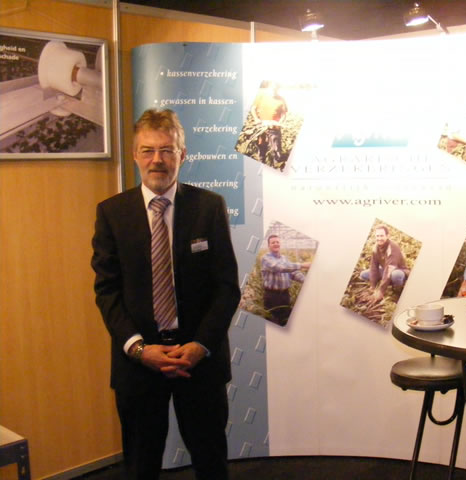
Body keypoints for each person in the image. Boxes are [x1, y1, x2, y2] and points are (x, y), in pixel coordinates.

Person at [91, 108, 240, 480]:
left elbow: (226, 288)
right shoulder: (112, 213)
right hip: (139, 364)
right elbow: (107, 291)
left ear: (182, 155)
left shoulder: (209, 207)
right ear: (135, 155)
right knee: (141, 468)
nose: (156, 159)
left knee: (211, 464)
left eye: (167, 150)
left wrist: (199, 346)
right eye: (147, 150)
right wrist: (140, 349)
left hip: (199, 363)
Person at [260, 234, 310, 325]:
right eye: (273, 242)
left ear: (280, 244)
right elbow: (279, 267)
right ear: (268, 245)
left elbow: (293, 273)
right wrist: (302, 265)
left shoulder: (284, 258)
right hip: (272, 295)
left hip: (285, 295)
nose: (276, 244)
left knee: (285, 320)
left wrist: (306, 281)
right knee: (272, 321)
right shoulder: (266, 258)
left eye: (277, 242)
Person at [360, 225, 410, 303]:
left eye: (382, 236)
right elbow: (374, 267)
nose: (379, 238)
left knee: (396, 275)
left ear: (387, 236)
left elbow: (390, 269)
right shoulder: (376, 248)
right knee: (364, 274)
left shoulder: (393, 247)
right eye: (377, 236)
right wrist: (373, 286)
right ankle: (387, 282)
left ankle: (397, 290)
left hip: (398, 270)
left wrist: (381, 291)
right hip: (385, 270)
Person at [251, 81, 288, 166]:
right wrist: (256, 119)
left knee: (276, 151)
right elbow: (253, 108)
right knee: (261, 148)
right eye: (272, 87)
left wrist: (279, 123)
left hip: (274, 130)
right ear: (269, 87)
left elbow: (283, 114)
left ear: (278, 88)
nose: (274, 89)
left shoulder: (281, 99)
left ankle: (277, 166)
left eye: (276, 88)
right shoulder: (261, 97)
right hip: (262, 128)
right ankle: (261, 165)